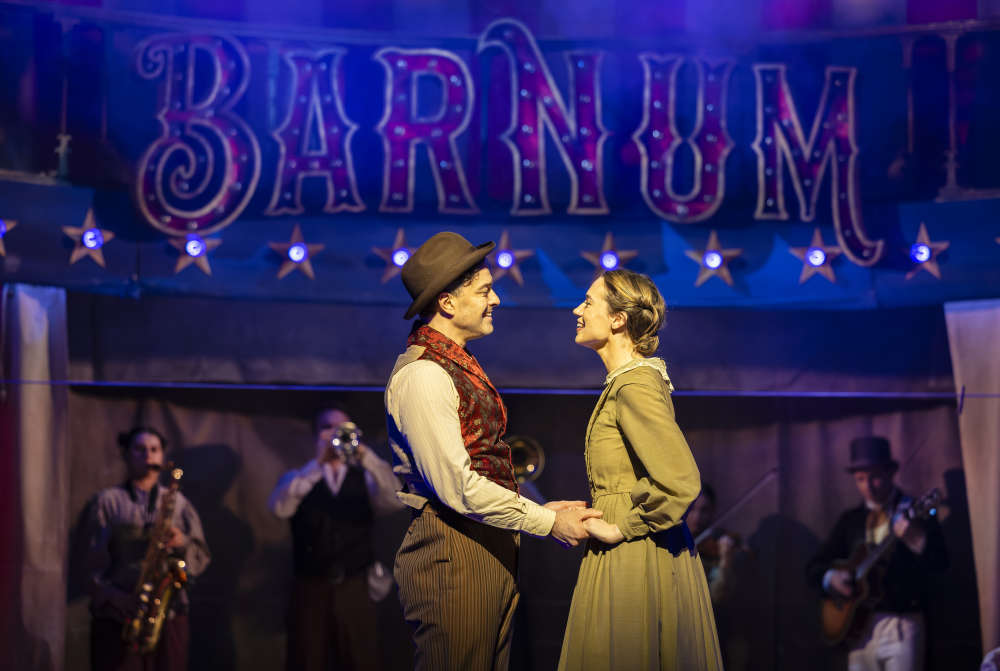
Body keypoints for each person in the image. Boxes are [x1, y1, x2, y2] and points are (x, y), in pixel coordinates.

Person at [384, 231, 602, 671]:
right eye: (484, 290)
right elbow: (457, 488)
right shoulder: (424, 375)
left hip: (483, 543)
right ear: (447, 303)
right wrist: (548, 522)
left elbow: (478, 470)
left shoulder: (453, 365)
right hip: (454, 550)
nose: (496, 299)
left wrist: (536, 509)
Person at [558, 269, 723, 671]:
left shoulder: (635, 385)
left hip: (637, 553)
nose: (577, 310)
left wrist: (622, 527)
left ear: (618, 319)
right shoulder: (626, 383)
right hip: (632, 546)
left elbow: (681, 480)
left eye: (588, 302)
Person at [268, 405, 404, 671]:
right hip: (310, 587)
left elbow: (396, 499)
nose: (335, 434)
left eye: (342, 429)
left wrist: (365, 455)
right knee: (306, 659)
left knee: (361, 659)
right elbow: (279, 508)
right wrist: (317, 464)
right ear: (315, 435)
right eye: (327, 428)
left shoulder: (365, 478)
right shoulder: (299, 477)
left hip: (354, 585)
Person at [805, 436, 948, 671]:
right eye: (860, 479)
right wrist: (832, 578)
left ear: (891, 472)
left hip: (901, 624)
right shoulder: (849, 521)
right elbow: (813, 567)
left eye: (875, 477)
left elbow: (941, 565)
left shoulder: (914, 512)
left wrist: (916, 539)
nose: (868, 487)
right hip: (857, 629)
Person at [85, 427, 210, 671]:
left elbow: (201, 557)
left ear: (162, 456)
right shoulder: (107, 502)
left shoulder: (179, 503)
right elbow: (90, 566)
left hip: (168, 617)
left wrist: (182, 541)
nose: (148, 456)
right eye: (139, 449)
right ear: (126, 455)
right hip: (119, 618)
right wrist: (117, 599)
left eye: (154, 450)